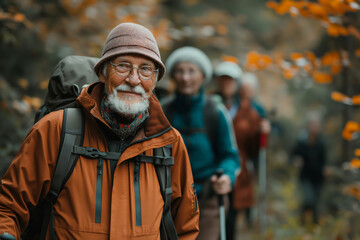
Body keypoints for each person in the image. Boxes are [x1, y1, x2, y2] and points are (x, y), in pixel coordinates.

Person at [0, 23, 199, 240]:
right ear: (102, 73)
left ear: (154, 80)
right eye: (122, 66)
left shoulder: (169, 143)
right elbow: (8, 206)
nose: (134, 80)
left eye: (145, 69)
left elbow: (185, 227)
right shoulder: (56, 129)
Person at [161, 47, 239, 240]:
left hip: (208, 199)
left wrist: (227, 176)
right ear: (173, 76)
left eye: (191, 71)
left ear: (203, 76)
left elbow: (229, 155)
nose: (185, 77)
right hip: (168, 200)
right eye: (180, 71)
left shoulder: (216, 112)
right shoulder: (162, 112)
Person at [214, 66, 270, 239]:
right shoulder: (209, 104)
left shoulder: (248, 112)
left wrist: (262, 134)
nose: (226, 84)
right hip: (212, 169)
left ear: (236, 83)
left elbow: (254, 150)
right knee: (210, 219)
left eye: (230, 80)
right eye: (223, 79)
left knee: (230, 222)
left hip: (239, 173)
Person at [291, 114, 326, 225]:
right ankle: (302, 221)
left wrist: (326, 168)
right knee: (308, 199)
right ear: (308, 126)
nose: (314, 127)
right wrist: (296, 160)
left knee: (315, 203)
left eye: (316, 125)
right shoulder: (302, 141)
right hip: (305, 176)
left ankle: (314, 227)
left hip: (318, 177)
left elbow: (325, 159)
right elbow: (293, 155)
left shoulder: (321, 142)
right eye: (312, 125)